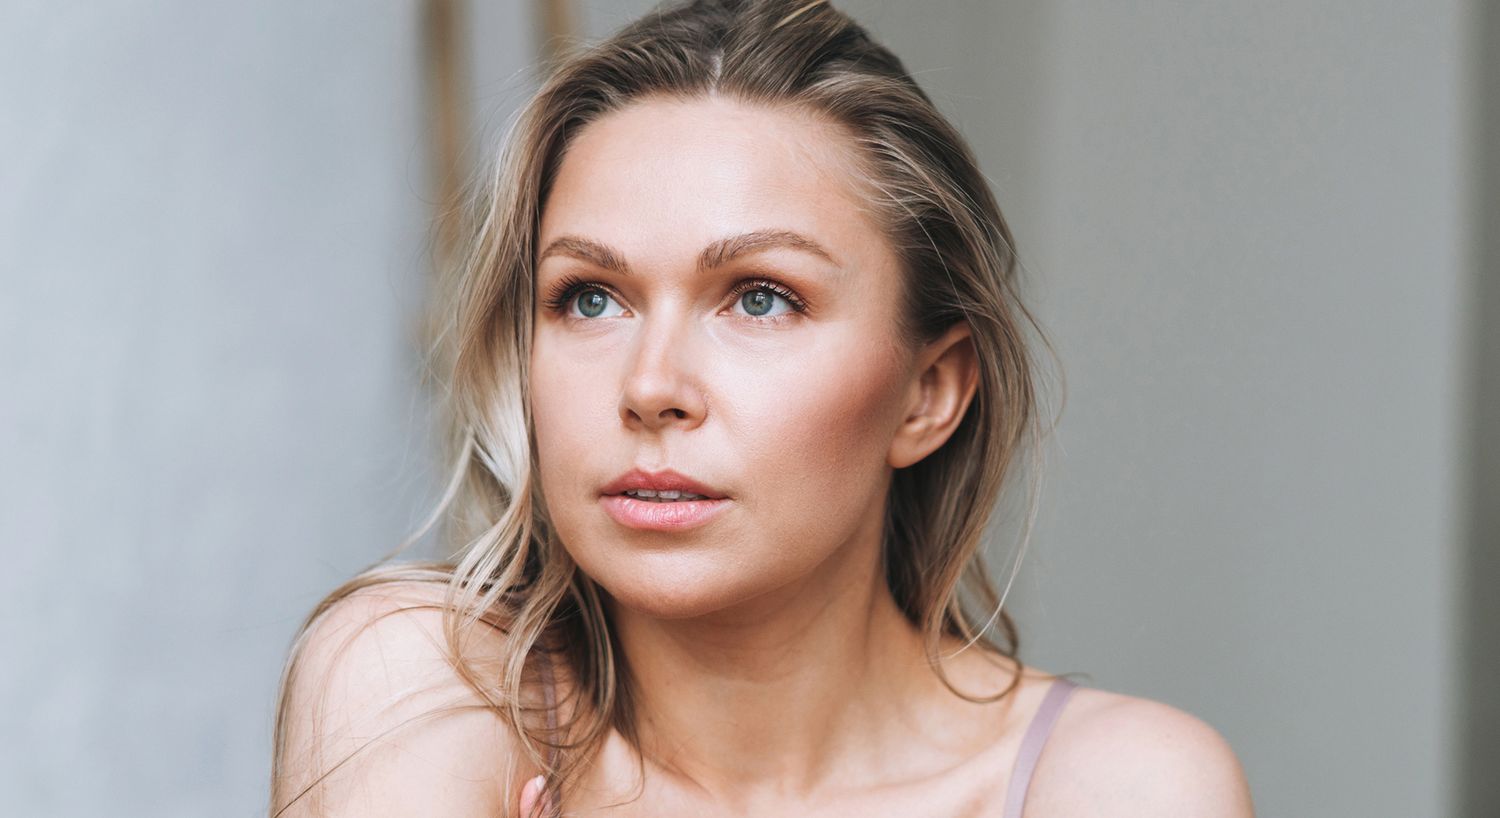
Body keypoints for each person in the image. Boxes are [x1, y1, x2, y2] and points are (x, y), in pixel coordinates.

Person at [269, 1, 1256, 816]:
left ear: (929, 392)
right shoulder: (418, 685)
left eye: (759, 297)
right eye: (590, 297)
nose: (651, 386)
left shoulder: (1117, 783)